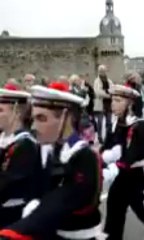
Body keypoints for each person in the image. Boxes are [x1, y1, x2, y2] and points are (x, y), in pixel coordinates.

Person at [0, 81, 103, 239]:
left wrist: (13, 232)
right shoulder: (46, 149)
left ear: (65, 118)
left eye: (42, 118)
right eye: (33, 119)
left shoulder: (83, 156)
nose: (33, 126)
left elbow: (61, 201)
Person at [102, 84, 144, 240]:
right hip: (120, 180)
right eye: (113, 100)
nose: (113, 104)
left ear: (130, 104)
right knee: (113, 220)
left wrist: (114, 165)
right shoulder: (114, 124)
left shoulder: (141, 126)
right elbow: (106, 148)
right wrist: (102, 158)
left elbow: (132, 155)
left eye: (118, 100)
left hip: (136, 179)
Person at [0, 83, 42, 228]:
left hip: (12, 216)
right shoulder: (3, 139)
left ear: (16, 112)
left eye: (1, 110)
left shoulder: (25, 144)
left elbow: (7, 183)